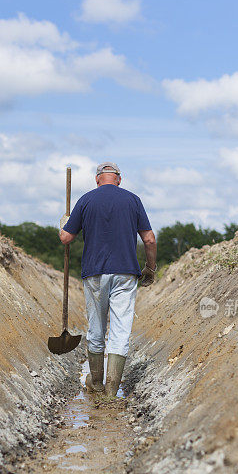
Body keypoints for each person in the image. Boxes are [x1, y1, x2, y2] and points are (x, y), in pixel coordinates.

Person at [59, 162, 157, 397]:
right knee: (120, 330)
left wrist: (63, 222)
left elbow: (65, 238)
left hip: (94, 273)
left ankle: (97, 382)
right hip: (125, 273)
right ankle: (112, 391)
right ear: (119, 179)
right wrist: (150, 267)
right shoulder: (133, 200)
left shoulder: (86, 200)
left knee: (96, 327)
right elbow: (150, 239)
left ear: (97, 179)